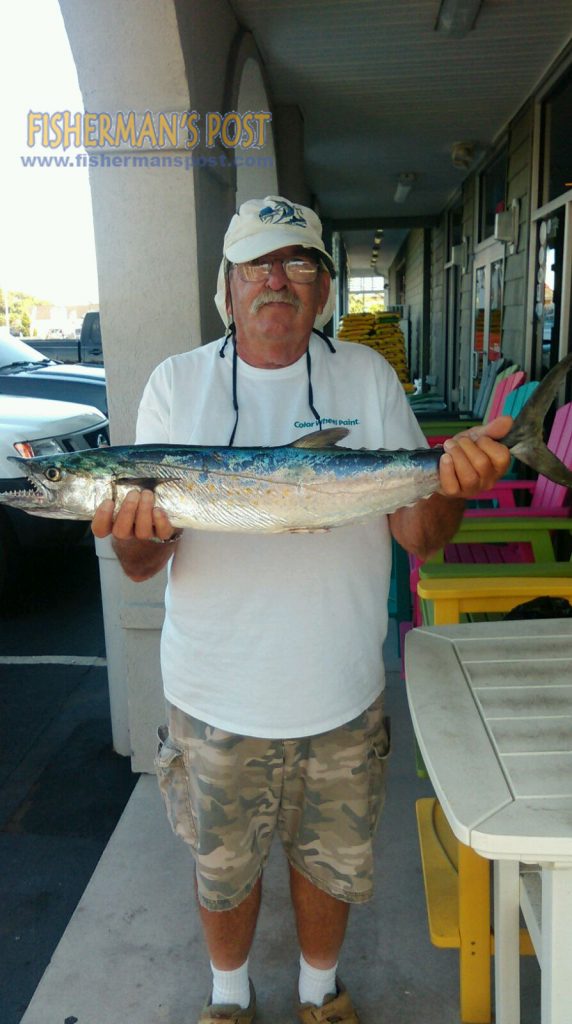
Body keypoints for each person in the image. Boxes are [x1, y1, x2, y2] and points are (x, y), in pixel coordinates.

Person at [92, 195, 511, 1024]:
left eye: (297, 264)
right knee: (222, 866)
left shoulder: (368, 377)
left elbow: (420, 534)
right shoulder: (177, 383)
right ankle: (228, 999)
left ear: (322, 288)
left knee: (332, 863)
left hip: (341, 690)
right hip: (213, 696)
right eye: (256, 264)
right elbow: (143, 563)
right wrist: (131, 534)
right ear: (228, 285)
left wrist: (452, 486)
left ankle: (319, 993)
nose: (275, 281)